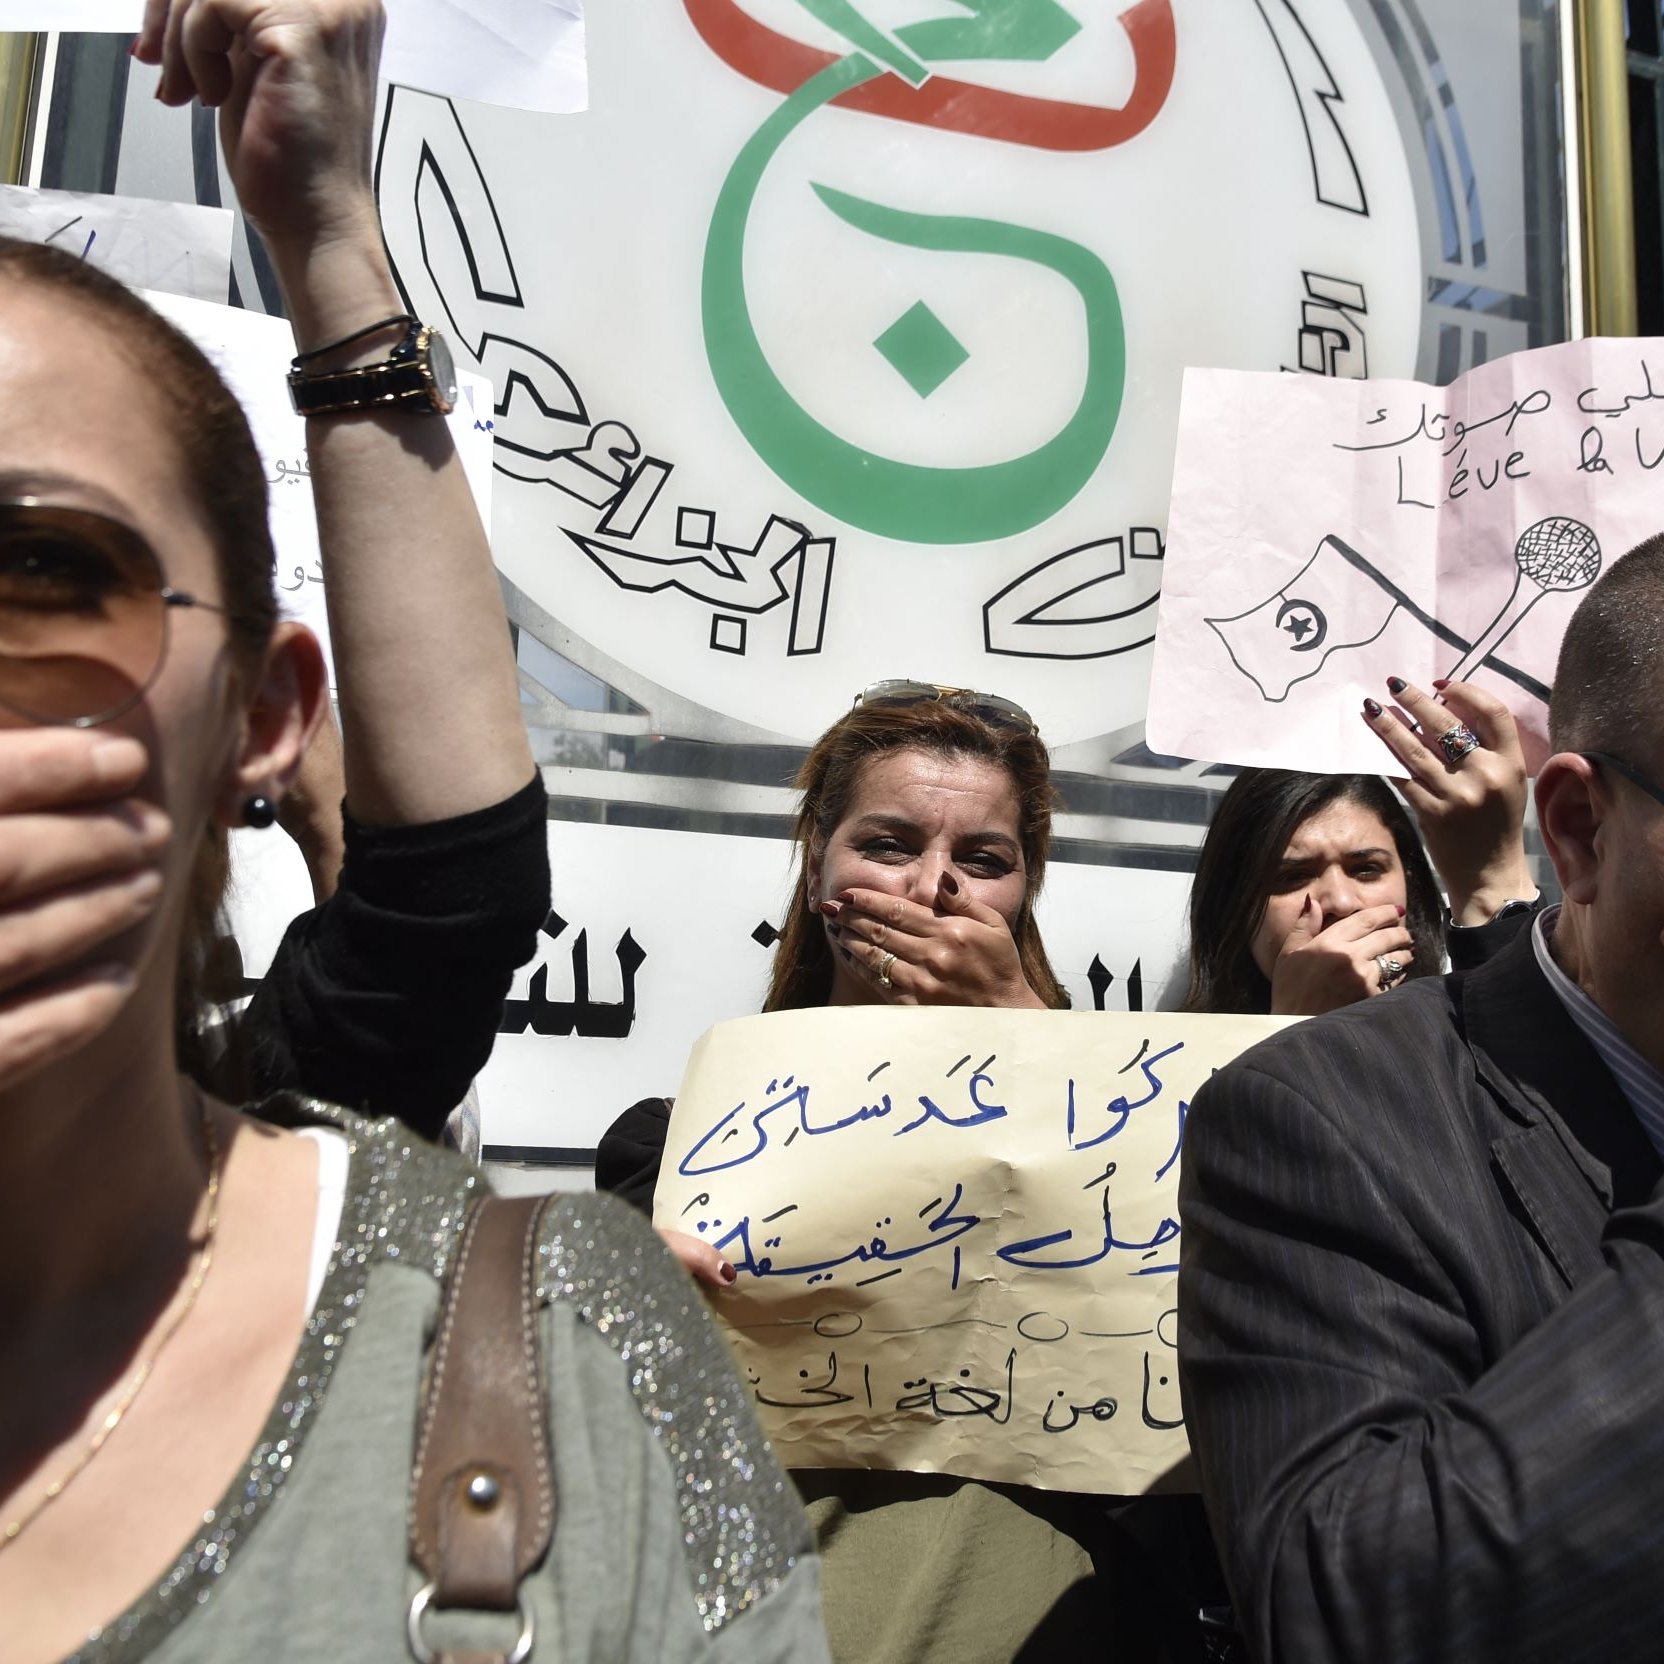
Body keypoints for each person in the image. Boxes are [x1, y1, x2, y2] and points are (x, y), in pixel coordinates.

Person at [0, 5, 826, 1660]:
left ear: (260, 714)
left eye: (40, 583)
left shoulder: (531, 1353)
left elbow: (446, 894)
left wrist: (328, 226)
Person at [601, 682, 1191, 1664]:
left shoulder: (1126, 1137)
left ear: (1026, 889)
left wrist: (1022, 1025)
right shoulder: (670, 1151)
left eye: (982, 859)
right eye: (887, 844)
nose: (931, 886)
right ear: (817, 862)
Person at [1176, 534, 1664, 1663]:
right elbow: (1342, 1606)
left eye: (1360, 866)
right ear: (1581, 829)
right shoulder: (1314, 1120)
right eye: (1292, 875)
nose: (1329, 899)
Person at [1180, 675, 1539, 1016]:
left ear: (1409, 883)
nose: (1341, 902)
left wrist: (1493, 877)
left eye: (1366, 870)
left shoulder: (1463, 1033)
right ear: (1232, 905)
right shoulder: (1173, 1062)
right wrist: (1297, 1027)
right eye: (1292, 876)